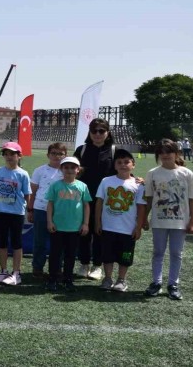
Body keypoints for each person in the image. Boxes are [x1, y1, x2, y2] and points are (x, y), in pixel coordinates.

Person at [142, 139, 193, 300]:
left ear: (176, 153)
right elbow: (149, 198)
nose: (165, 155)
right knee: (158, 252)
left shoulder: (187, 174)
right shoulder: (153, 173)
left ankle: (173, 285)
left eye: (168, 152)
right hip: (159, 221)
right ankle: (156, 283)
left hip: (180, 222)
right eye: (161, 152)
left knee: (176, 253)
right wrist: (144, 218)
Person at [95, 149, 146, 292]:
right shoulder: (106, 181)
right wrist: (98, 222)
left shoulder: (139, 184)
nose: (123, 165)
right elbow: (99, 202)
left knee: (126, 256)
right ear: (115, 165)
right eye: (119, 162)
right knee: (107, 255)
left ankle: (121, 280)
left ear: (133, 165)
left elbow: (141, 207)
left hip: (128, 229)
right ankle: (108, 278)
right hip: (108, 227)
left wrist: (138, 227)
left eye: (126, 162)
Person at [73, 118, 116, 280]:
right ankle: (84, 264)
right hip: (83, 199)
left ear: (108, 133)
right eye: (94, 131)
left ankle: (97, 266)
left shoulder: (114, 151)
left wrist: (136, 179)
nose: (97, 134)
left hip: (106, 201)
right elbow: (70, 171)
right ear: (89, 133)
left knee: (100, 233)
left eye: (101, 131)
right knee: (83, 232)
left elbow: (123, 171)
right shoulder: (81, 150)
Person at [45, 157, 92, 292]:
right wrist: (49, 221)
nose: (69, 170)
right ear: (61, 169)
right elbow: (50, 204)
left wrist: (85, 224)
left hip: (74, 228)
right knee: (55, 255)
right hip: (58, 227)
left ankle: (68, 279)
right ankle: (52, 279)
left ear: (78, 170)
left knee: (70, 255)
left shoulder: (82, 186)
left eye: (73, 167)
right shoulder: (55, 185)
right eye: (66, 167)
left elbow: (86, 206)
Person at [0, 141, 31, 286]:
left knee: (16, 242)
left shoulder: (23, 174)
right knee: (2, 242)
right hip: (1, 211)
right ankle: (3, 271)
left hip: (16, 213)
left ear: (19, 156)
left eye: (12, 154)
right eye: (6, 154)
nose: (9, 157)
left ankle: (16, 273)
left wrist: (29, 210)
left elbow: (27, 194)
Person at [27, 143, 66, 278]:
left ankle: (57, 268)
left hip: (60, 211)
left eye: (60, 154)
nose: (57, 156)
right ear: (48, 155)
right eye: (54, 153)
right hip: (41, 209)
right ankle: (37, 267)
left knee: (59, 242)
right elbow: (33, 191)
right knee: (40, 241)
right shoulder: (39, 170)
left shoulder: (67, 171)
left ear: (65, 156)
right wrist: (30, 209)